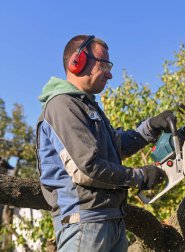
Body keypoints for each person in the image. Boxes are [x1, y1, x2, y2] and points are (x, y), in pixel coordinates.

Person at [36, 35, 174, 251]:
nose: (109, 74)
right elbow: (87, 168)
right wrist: (138, 176)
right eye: (103, 65)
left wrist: (151, 128)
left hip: (108, 221)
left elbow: (115, 146)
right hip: (85, 223)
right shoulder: (62, 106)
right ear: (77, 61)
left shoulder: (87, 107)